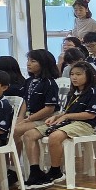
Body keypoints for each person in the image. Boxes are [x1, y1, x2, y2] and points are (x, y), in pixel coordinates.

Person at [25, 62, 96, 190]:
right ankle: (35, 171)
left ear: (89, 75)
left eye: (78, 74)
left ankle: (55, 171)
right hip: (69, 121)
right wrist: (56, 117)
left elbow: (90, 115)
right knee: (29, 134)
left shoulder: (94, 92)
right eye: (72, 74)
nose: (74, 77)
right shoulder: (73, 92)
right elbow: (67, 112)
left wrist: (66, 117)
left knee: (55, 136)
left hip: (86, 124)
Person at [13, 50, 60, 178]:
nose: (28, 64)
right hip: (31, 116)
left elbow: (49, 109)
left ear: (44, 63)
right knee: (11, 128)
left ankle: (24, 168)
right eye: (28, 60)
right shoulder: (29, 81)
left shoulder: (49, 83)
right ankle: (12, 167)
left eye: (33, 61)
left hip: (47, 118)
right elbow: (25, 101)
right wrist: (21, 117)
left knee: (16, 130)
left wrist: (29, 119)